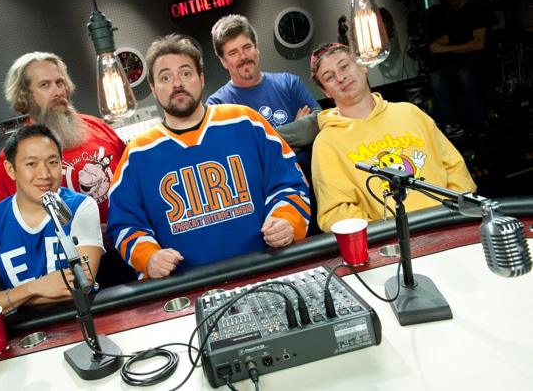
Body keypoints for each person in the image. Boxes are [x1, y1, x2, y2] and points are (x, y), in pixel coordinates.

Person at [107, 34, 311, 279]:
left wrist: (287, 220)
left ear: (201, 79)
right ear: (153, 89)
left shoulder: (246, 121)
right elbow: (125, 224)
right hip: (184, 290)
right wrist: (148, 257)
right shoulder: (137, 155)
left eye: (185, 73)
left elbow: (290, 184)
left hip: (267, 271)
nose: (177, 83)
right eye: (165, 77)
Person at [0, 52, 134, 286]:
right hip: (72, 267)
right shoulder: (13, 158)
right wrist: (87, 231)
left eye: (60, 82)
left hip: (127, 247)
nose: (57, 91)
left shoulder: (97, 126)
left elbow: (133, 182)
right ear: (25, 96)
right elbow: (16, 227)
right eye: (45, 85)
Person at [309, 43, 477, 233]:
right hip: (390, 242)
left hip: (450, 225)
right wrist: (387, 234)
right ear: (325, 91)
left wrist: (450, 214)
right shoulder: (326, 143)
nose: (341, 77)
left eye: (344, 66)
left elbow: (455, 169)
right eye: (329, 77)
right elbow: (335, 213)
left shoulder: (411, 113)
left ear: (363, 65)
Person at [0, 124, 104, 313]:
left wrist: (8, 300)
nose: (44, 174)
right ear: (11, 169)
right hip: (23, 326)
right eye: (31, 164)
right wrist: (35, 288)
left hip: (79, 315)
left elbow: (82, 286)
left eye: (53, 162)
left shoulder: (80, 207)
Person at [206, 15, 322, 162]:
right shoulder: (217, 106)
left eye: (247, 47)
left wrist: (257, 143)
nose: (243, 57)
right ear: (223, 61)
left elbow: (318, 122)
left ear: (257, 48)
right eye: (233, 53)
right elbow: (234, 155)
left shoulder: (289, 83)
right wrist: (297, 133)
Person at [428, 0, 496, 138]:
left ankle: (480, 121)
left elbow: (478, 44)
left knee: (465, 73)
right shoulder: (451, 14)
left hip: (480, 61)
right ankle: (452, 124)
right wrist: (431, 45)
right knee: (437, 76)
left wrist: (446, 49)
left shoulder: (477, 10)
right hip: (458, 62)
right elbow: (450, 36)